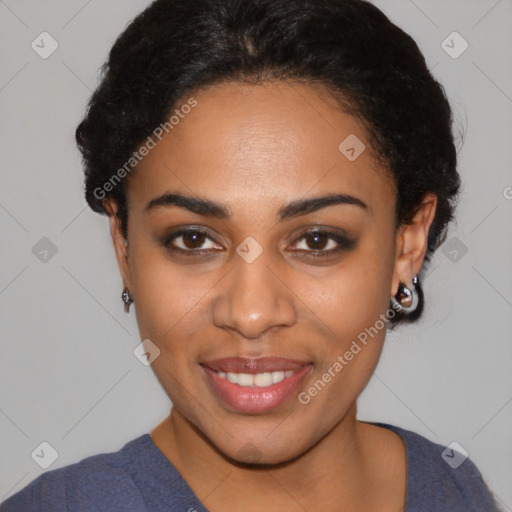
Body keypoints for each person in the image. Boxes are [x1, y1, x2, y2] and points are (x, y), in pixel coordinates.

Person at [0, 0, 501, 510]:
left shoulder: (454, 488)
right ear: (124, 246)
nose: (252, 313)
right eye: (193, 240)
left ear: (407, 242)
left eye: (317, 240)